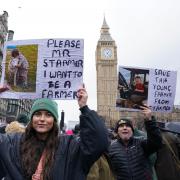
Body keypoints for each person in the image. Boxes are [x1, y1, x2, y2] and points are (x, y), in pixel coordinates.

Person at [0, 85, 108, 180]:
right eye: (37, 114)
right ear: (31, 119)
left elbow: (99, 141)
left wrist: (84, 108)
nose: (42, 119)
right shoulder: (13, 142)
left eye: (48, 114)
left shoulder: (69, 145)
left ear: (54, 120)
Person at [108, 106, 162, 180]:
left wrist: (149, 121)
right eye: (121, 126)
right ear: (117, 131)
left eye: (127, 126)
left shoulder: (141, 142)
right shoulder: (111, 148)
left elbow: (156, 142)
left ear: (132, 131)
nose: (124, 128)